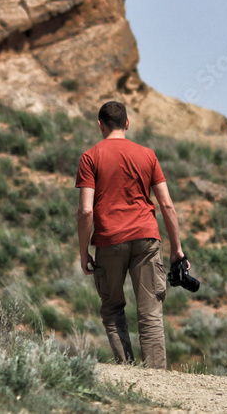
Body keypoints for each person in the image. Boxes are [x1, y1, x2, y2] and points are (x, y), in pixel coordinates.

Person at [75, 100, 189, 369]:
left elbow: (85, 211)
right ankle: (156, 378)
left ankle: (127, 371)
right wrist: (177, 249)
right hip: (147, 238)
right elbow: (167, 205)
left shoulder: (90, 157)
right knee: (150, 310)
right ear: (127, 123)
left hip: (109, 240)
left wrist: (83, 252)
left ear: (100, 125)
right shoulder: (148, 155)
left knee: (113, 308)